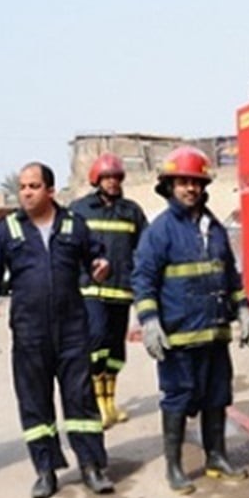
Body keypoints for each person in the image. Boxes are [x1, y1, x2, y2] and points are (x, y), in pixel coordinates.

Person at [0, 162, 115, 498]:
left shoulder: (73, 225)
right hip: (30, 332)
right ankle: (45, 471)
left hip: (72, 331)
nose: (26, 192)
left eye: (34, 186)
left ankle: (92, 467)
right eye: (23, 187)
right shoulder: (7, 230)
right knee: (35, 403)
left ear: (50, 190)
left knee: (81, 400)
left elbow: (97, 257)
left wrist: (101, 267)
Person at [132, 146, 249, 494]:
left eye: (196, 182)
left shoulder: (214, 228)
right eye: (183, 182)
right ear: (170, 186)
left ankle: (217, 457)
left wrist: (242, 308)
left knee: (217, 396)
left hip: (214, 335)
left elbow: (229, 275)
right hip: (179, 338)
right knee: (178, 399)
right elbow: (143, 279)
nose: (190, 189)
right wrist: (150, 321)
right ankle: (174, 466)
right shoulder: (160, 231)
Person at [71, 152, 148, 428]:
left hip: (121, 291)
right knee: (97, 338)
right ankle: (97, 403)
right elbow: (70, 248)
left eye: (116, 177)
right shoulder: (80, 210)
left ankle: (111, 403)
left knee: (116, 349)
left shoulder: (132, 211)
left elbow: (144, 250)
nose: (113, 182)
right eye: (107, 178)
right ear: (96, 180)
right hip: (90, 290)